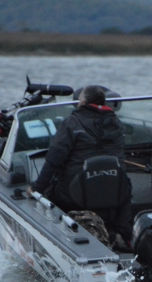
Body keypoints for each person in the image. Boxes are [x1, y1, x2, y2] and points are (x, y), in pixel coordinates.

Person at [27, 85, 132, 246]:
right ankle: (123, 234)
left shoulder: (72, 123)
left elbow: (54, 161)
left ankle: (59, 238)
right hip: (113, 189)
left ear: (83, 102)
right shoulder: (117, 124)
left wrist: (36, 189)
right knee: (126, 186)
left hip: (74, 194)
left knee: (48, 194)